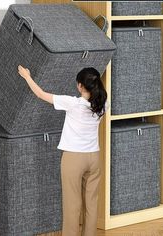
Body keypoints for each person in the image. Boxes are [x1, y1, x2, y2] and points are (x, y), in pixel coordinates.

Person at [18, 65, 109, 236]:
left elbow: (41, 94)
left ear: (80, 86)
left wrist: (27, 77)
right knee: (91, 203)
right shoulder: (103, 104)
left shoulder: (73, 103)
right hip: (94, 158)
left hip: (74, 159)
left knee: (72, 204)